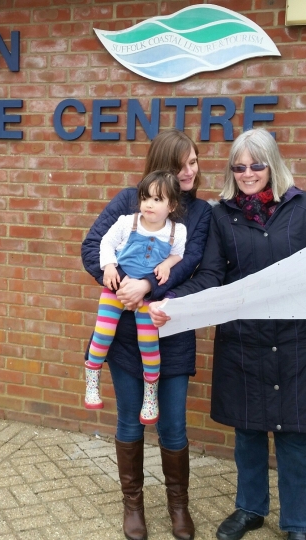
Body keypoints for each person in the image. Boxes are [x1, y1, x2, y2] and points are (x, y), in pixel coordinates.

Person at [149, 128, 306, 540]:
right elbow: (211, 277)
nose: (247, 173)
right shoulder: (223, 216)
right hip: (245, 339)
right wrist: (173, 304)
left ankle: (298, 523)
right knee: (249, 430)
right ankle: (251, 509)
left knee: (294, 435)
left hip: (296, 342)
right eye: (239, 167)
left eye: (256, 164)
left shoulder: (305, 206)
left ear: (272, 164)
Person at [81, 129, 212, 540]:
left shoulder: (200, 215)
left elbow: (197, 267)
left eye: (194, 162)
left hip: (170, 332)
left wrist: (150, 289)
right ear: (163, 165)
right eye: (182, 163)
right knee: (129, 422)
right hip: (123, 333)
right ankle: (133, 506)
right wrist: (125, 285)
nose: (190, 170)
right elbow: (92, 248)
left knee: (173, 426)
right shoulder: (128, 202)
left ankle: (178, 507)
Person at [85, 170, 188, 428]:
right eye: (145, 198)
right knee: (103, 334)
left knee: (149, 343)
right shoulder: (127, 222)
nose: (149, 204)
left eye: (157, 199)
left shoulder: (177, 231)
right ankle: (92, 377)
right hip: (116, 289)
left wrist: (168, 264)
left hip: (148, 297)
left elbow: (179, 254)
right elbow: (105, 243)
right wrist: (109, 267)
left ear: (171, 205)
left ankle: (150, 394)